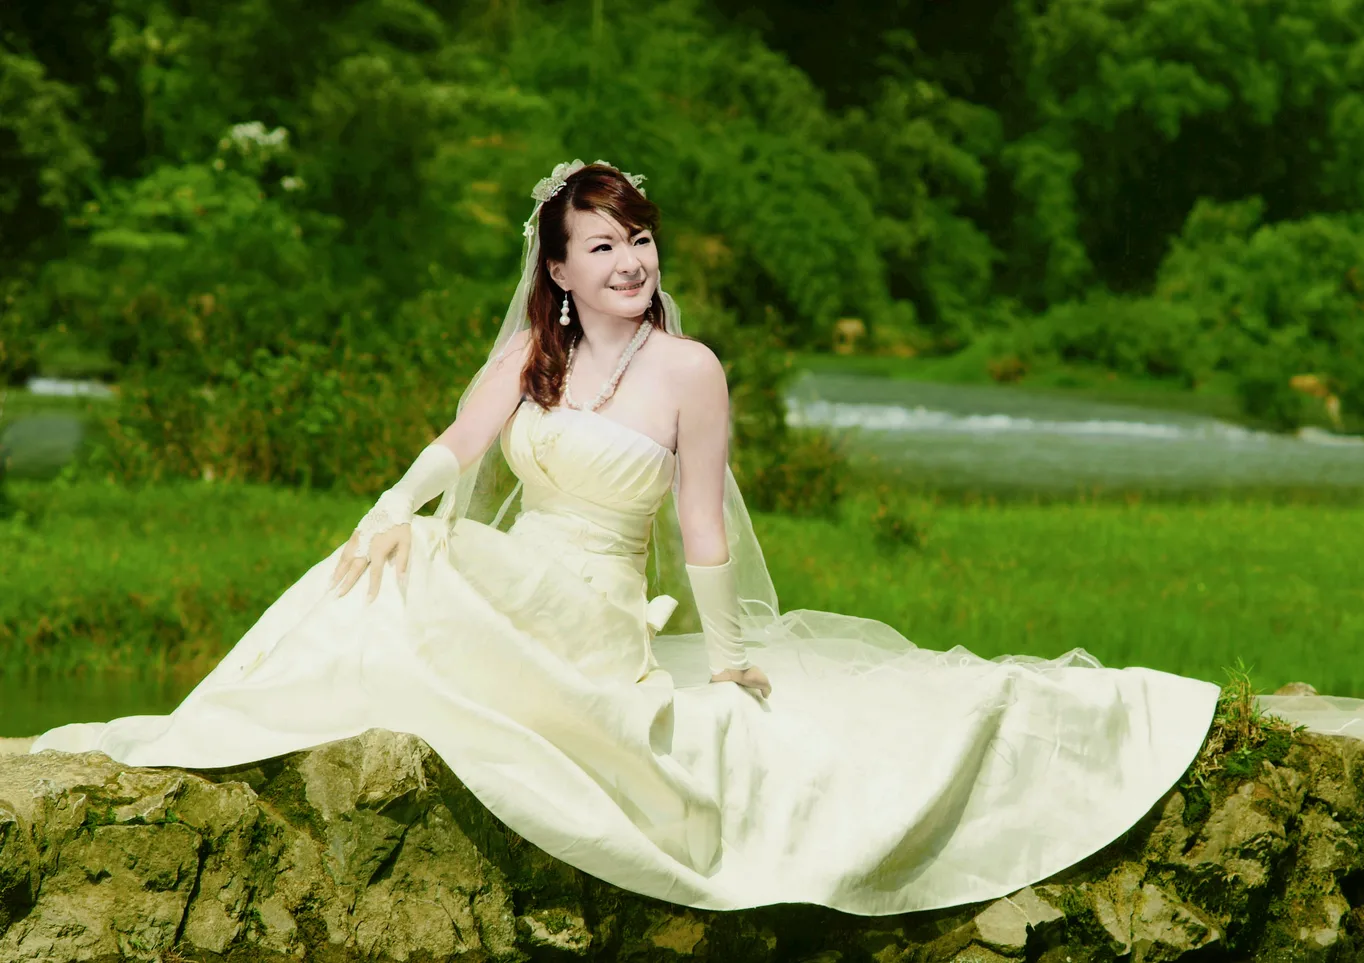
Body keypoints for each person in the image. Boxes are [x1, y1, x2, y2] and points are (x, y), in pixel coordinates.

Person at [29, 159, 1225, 916]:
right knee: (391, 554)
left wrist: (729, 655)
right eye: (602, 246)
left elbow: (701, 525)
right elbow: (460, 442)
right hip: (519, 570)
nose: (630, 262)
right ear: (557, 268)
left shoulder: (689, 370)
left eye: (639, 240)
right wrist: (389, 505)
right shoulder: (529, 353)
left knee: (434, 560)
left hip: (598, 609)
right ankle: (232, 721)